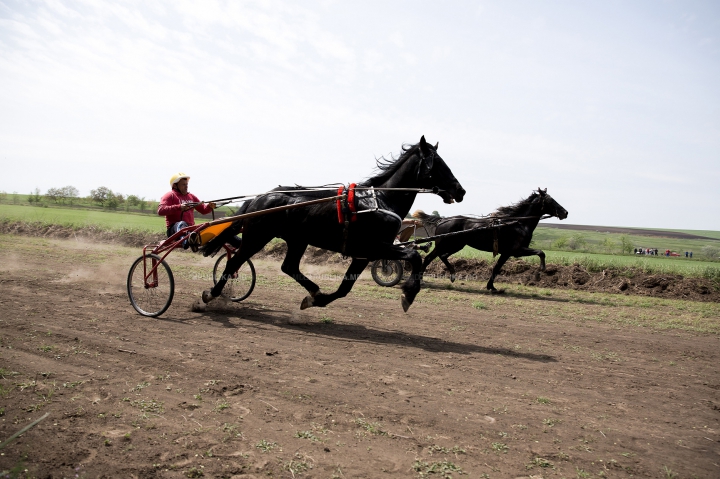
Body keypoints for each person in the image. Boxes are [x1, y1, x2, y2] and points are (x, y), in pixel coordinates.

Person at [158, 173, 216, 250]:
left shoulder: (191, 196)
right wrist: (179, 207)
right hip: (174, 231)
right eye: (183, 184)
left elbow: (203, 210)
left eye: (187, 184)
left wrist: (209, 206)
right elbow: (160, 211)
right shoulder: (169, 195)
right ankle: (187, 241)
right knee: (182, 224)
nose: (186, 186)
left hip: (191, 230)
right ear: (175, 186)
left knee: (211, 225)